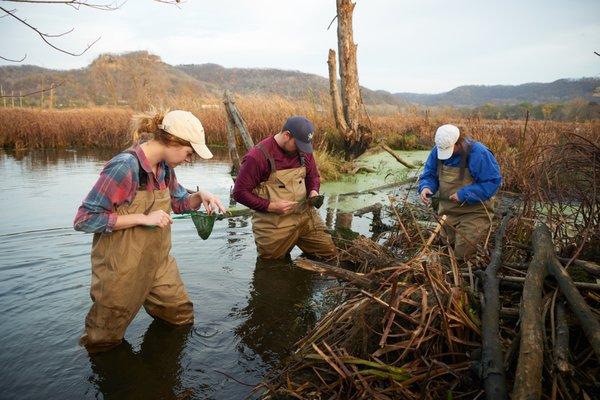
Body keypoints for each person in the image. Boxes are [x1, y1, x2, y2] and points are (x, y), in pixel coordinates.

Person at [74, 109, 226, 352]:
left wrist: (200, 196)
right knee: (104, 341)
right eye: (189, 153)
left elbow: (178, 203)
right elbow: (84, 219)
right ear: (173, 141)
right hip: (121, 269)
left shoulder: (165, 168)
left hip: (158, 262)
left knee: (180, 315)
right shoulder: (125, 166)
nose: (189, 159)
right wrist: (143, 218)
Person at [232, 116, 337, 260]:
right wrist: (271, 206)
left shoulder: (304, 151)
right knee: (272, 270)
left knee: (330, 255)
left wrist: (313, 191)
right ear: (287, 135)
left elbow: (313, 176)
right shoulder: (257, 157)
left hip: (306, 217)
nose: (302, 150)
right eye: (298, 145)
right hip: (274, 225)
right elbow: (239, 193)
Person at [418, 124, 501, 260]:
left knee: (463, 253)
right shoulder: (437, 151)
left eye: (450, 149)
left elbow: (492, 182)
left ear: (459, 142)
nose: (445, 154)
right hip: (447, 213)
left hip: (474, 213)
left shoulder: (478, 152)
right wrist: (426, 187)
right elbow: (429, 174)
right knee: (445, 250)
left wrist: (463, 195)